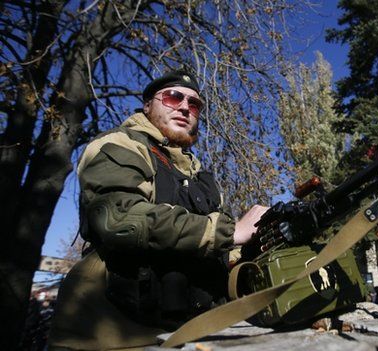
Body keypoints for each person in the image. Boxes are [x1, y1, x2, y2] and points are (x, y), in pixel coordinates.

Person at [48, 70, 268, 350]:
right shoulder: (120, 145)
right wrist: (229, 230)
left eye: (194, 104)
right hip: (110, 334)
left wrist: (252, 248)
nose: (185, 107)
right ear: (148, 105)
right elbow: (118, 217)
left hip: (193, 331)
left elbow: (217, 248)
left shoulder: (203, 178)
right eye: (173, 97)